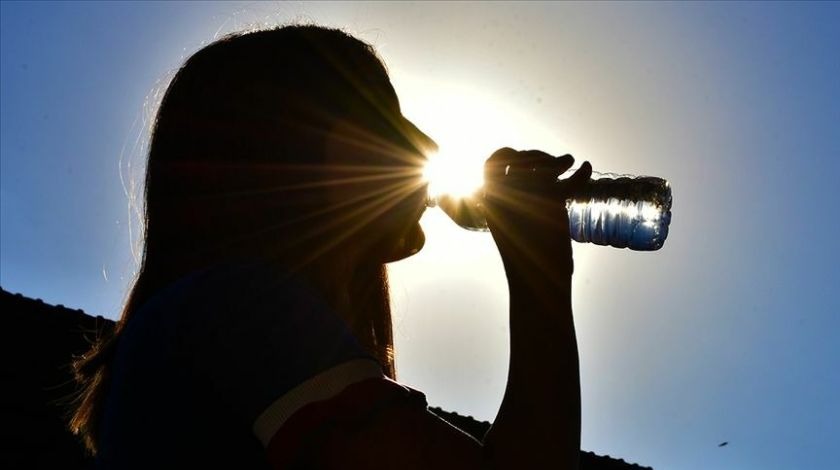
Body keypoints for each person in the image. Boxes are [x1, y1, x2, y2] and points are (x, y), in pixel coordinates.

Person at [69, 25, 592, 469]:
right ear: (295, 157)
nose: (428, 145)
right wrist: (537, 274)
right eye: (384, 122)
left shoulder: (210, 320)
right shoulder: (240, 309)